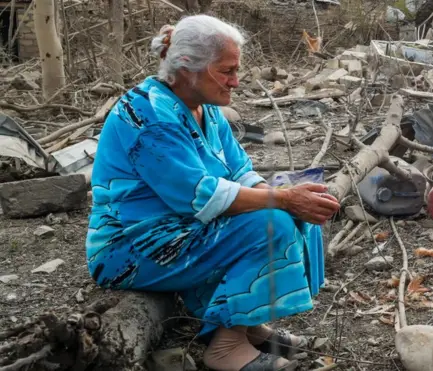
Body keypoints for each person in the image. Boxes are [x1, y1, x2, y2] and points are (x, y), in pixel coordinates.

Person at [85, 14, 340, 371]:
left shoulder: (205, 107)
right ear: (188, 67)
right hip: (128, 249)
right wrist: (282, 199)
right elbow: (198, 196)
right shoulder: (147, 116)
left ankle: (248, 324)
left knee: (291, 213)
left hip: (181, 229)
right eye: (227, 71)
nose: (236, 81)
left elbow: (240, 172)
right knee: (272, 224)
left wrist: (287, 198)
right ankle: (226, 348)